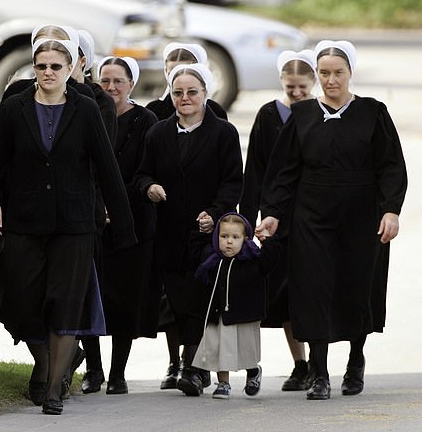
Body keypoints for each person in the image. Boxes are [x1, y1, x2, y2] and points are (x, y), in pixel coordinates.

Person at [0, 38, 135, 415]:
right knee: (24, 303)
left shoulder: (87, 109)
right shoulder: (14, 108)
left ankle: (55, 386)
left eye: (55, 67)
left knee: (65, 302)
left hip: (74, 225)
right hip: (25, 222)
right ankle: (46, 363)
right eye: (41, 66)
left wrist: (123, 227)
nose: (47, 73)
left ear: (71, 67)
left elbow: (107, 169)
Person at [255, 40, 407, 400]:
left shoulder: (373, 112)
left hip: (361, 216)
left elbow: (390, 165)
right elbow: (283, 171)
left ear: (350, 73)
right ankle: (319, 373)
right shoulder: (303, 115)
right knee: (313, 289)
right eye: (324, 73)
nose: (331, 80)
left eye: (338, 72)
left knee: (357, 287)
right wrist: (274, 213)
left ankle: (355, 362)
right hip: (312, 216)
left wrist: (390, 209)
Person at [135, 63, 243, 396]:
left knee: (201, 301)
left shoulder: (223, 133)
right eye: (178, 92)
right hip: (169, 234)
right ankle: (192, 364)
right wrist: (149, 186)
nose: (185, 98)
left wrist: (215, 213)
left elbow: (232, 182)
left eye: (192, 92)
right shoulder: (158, 133)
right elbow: (141, 174)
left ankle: (193, 367)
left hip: (207, 235)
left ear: (205, 94)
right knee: (179, 302)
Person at [79, 56, 160, 395]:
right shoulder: (87, 112)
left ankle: (117, 373)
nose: (111, 87)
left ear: (131, 84)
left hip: (133, 220)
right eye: (105, 81)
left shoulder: (146, 120)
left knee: (125, 299)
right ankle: (93, 370)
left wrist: (119, 206)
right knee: (89, 295)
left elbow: (146, 168)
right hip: (93, 220)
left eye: (118, 81)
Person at [240, 49, 317, 391]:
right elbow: (254, 170)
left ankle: (320, 361)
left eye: (302, 86)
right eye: (291, 87)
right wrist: (246, 219)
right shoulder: (269, 115)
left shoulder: (319, 114)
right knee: (284, 293)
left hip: (314, 215)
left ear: (313, 82)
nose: (297, 93)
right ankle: (300, 363)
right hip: (277, 218)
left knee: (312, 291)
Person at [193, 213, 280, 399]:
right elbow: (194, 250)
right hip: (219, 317)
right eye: (224, 237)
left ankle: (253, 372)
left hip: (245, 315)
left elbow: (271, 260)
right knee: (219, 351)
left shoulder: (252, 261)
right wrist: (202, 230)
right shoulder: (212, 260)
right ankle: (224, 383)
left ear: (245, 238)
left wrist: (267, 240)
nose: (229, 242)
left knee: (246, 350)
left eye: (235, 237)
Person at [146, 42, 227, 121]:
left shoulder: (215, 111)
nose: (177, 78)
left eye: (184, 72)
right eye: (172, 73)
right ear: (165, 71)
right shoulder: (153, 110)